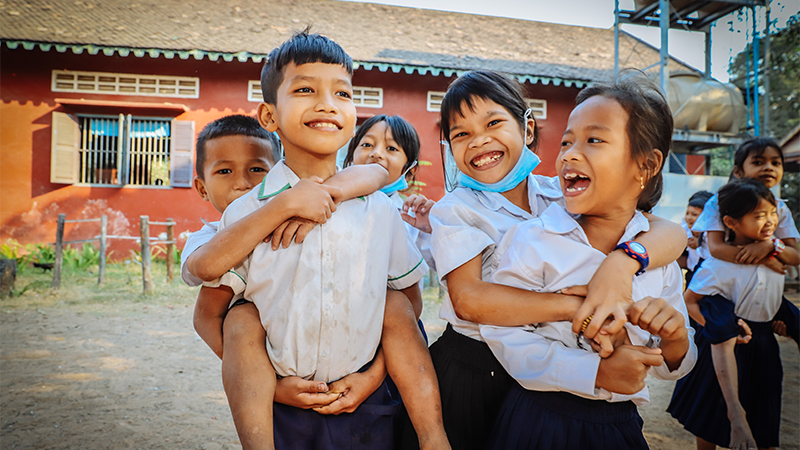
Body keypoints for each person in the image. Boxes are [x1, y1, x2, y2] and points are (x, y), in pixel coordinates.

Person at [412, 70, 687, 450]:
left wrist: (621, 265)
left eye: (493, 122)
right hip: (477, 368)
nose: (479, 140)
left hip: (543, 377)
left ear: (527, 130)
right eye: (461, 134)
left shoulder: (561, 192)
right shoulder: (457, 209)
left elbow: (667, 231)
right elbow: (469, 300)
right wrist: (586, 304)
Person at [203, 29, 450, 450]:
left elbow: (408, 307)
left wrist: (372, 376)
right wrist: (274, 388)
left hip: (367, 401)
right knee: (240, 317)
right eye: (304, 89)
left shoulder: (378, 210)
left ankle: (435, 441)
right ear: (269, 116)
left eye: (343, 93)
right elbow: (211, 314)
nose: (326, 104)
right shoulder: (246, 214)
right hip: (281, 410)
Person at [181, 114, 389, 449]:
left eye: (257, 169)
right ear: (202, 186)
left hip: (348, 371)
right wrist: (272, 385)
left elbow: (378, 172)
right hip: (274, 376)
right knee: (242, 318)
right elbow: (204, 287)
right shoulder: (210, 237)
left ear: (277, 172)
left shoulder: (305, 214)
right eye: (224, 171)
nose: (243, 183)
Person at [670, 178, 800, 450]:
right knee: (710, 416)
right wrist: (722, 327)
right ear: (730, 222)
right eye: (758, 216)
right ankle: (734, 415)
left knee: (765, 414)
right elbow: (690, 300)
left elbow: (772, 293)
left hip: (763, 344)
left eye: (773, 214)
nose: (770, 222)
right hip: (726, 343)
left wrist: (775, 320)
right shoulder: (718, 266)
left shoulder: (776, 261)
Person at [691, 138, 799, 276]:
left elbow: (795, 256)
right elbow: (717, 249)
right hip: (718, 280)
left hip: (759, 283)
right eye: (758, 162)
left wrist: (770, 245)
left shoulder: (780, 207)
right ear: (738, 171)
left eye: (776, 163)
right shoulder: (718, 202)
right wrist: (767, 260)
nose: (769, 167)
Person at [680, 190, 713, 285]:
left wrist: (700, 243)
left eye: (694, 215)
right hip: (692, 273)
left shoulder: (711, 233)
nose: (689, 218)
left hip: (708, 274)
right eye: (687, 213)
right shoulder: (684, 230)